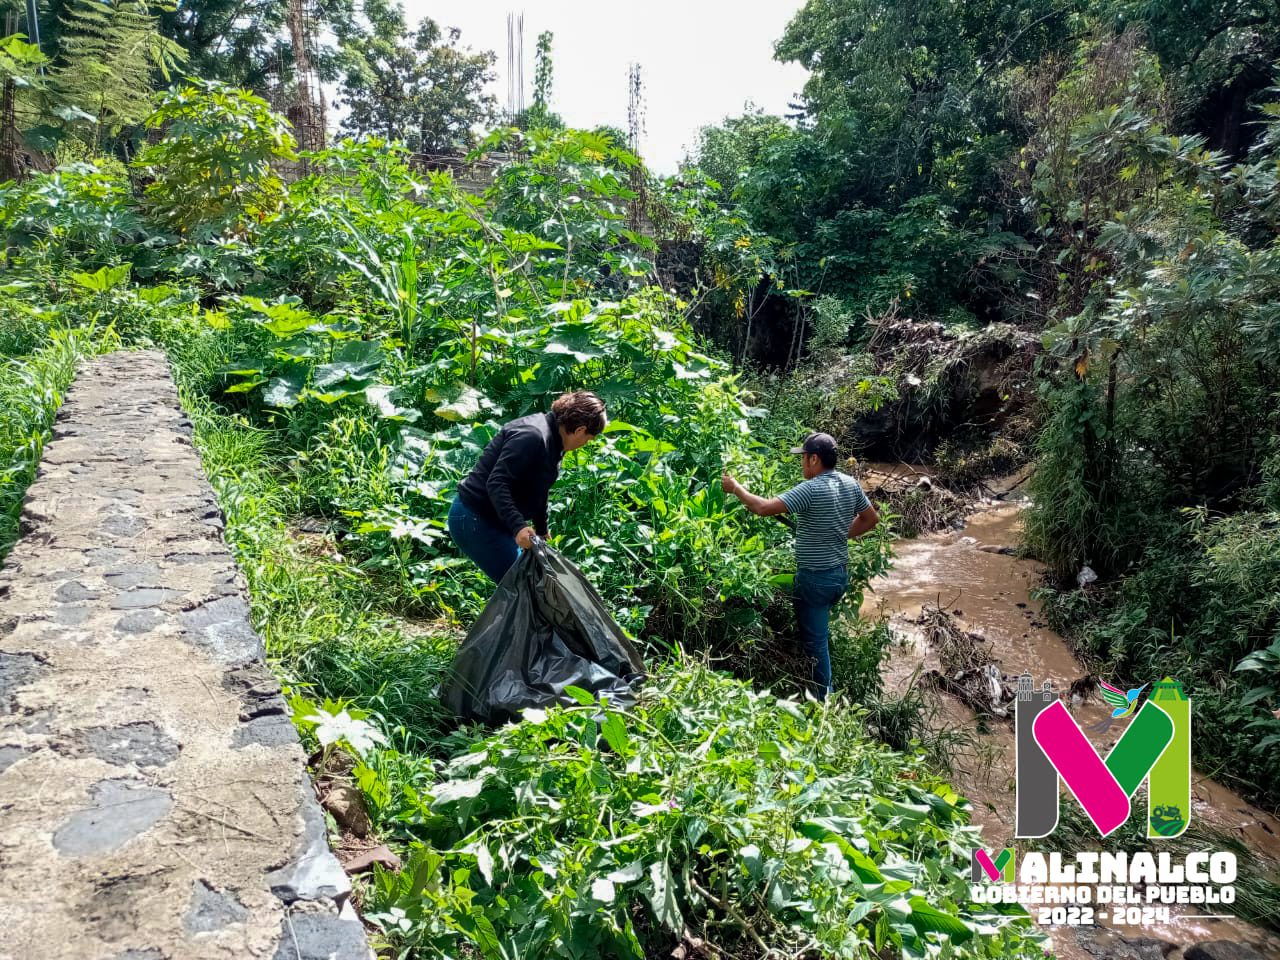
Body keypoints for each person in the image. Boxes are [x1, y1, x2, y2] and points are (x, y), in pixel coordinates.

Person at [722, 433, 879, 698]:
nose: (802, 464)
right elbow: (870, 519)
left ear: (814, 459)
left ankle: (823, 701)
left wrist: (735, 487)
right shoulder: (850, 484)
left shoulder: (812, 488)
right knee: (817, 635)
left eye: (803, 458)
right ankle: (816, 687)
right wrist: (840, 533)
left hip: (815, 581)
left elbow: (762, 508)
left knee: (816, 644)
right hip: (839, 577)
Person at [449, 391, 607, 583]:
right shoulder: (532, 436)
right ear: (580, 430)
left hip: (497, 519)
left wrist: (541, 527)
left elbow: (539, 486)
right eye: (588, 439)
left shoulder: (554, 440)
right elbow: (497, 483)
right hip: (475, 518)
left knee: (532, 583)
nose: (585, 444)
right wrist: (518, 527)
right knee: (523, 586)